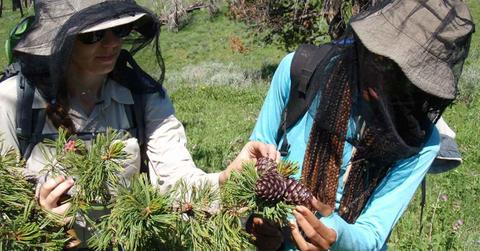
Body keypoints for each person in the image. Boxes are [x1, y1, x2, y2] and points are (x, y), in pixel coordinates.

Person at [0, 0, 278, 248]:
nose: (111, 44)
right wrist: (38, 218)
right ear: (59, 41)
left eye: (119, 30)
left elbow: (175, 179)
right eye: (93, 35)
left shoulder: (143, 97)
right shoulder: (13, 102)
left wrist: (227, 179)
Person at [248, 0, 474, 250]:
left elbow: (373, 233)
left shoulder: (420, 142)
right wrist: (253, 221)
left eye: (404, 78)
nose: (385, 84)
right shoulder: (299, 71)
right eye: (383, 63)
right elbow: (252, 162)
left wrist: (337, 237)